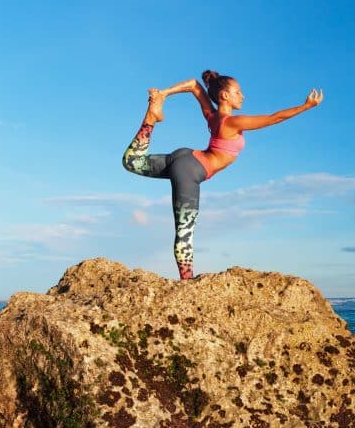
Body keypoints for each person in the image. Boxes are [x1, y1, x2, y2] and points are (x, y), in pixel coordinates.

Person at [122, 70, 323, 279]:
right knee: (185, 231)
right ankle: (187, 284)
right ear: (225, 95)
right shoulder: (231, 122)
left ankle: (150, 118)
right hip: (190, 170)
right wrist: (306, 106)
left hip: (184, 158)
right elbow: (274, 118)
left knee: (131, 162)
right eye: (238, 92)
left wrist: (164, 93)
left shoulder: (213, 116)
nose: (242, 96)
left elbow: (193, 85)